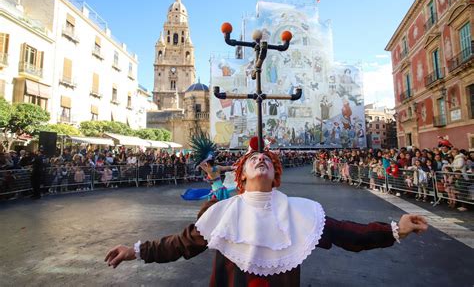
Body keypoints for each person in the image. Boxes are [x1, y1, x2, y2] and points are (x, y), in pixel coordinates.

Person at [105, 145, 428, 286]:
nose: (261, 160)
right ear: (241, 176)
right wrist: (134, 251)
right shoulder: (222, 212)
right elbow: (180, 244)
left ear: (276, 175)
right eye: (253, 159)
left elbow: (347, 233)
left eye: (267, 160)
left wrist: (395, 230)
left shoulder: (301, 211)